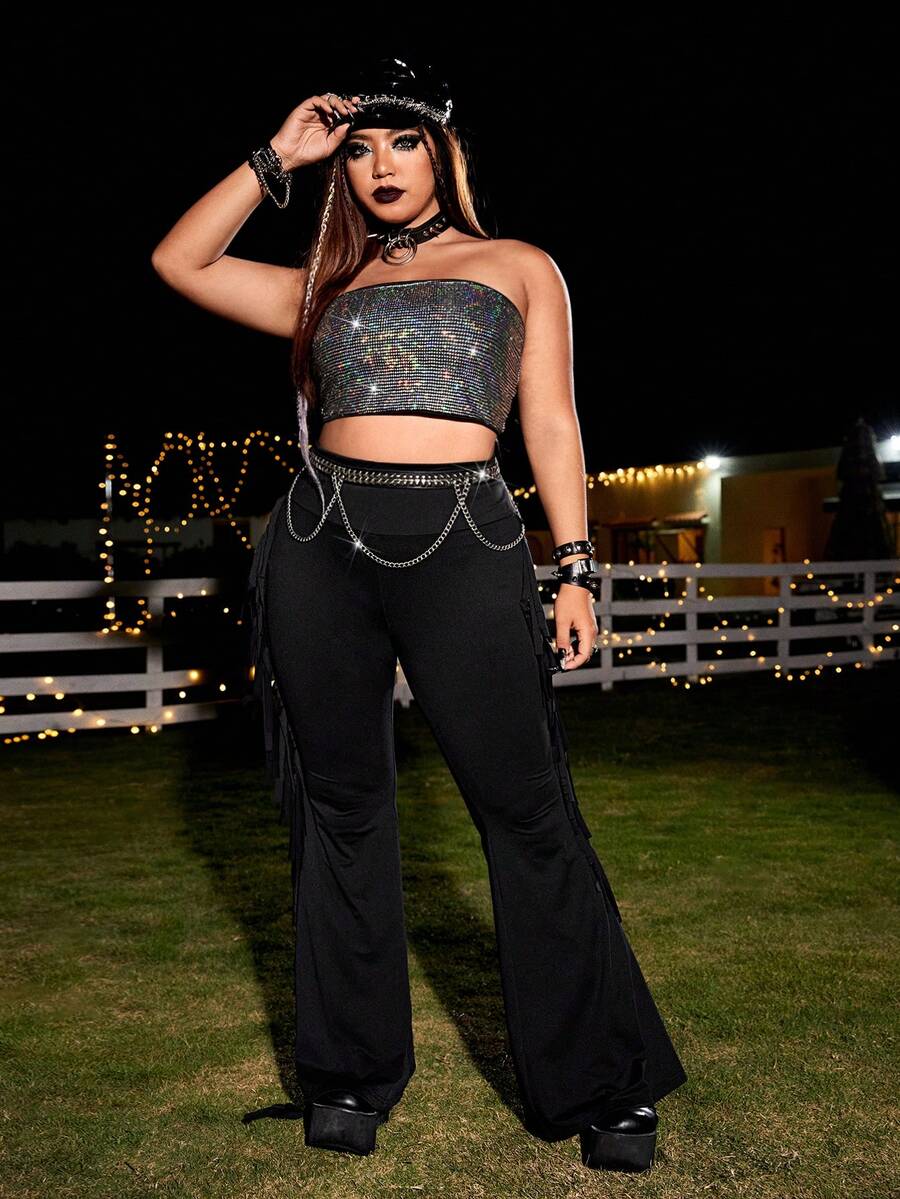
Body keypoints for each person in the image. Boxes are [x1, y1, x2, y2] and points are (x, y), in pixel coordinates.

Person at [151, 55, 687, 1172]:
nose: (381, 166)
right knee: (341, 807)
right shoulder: (321, 283)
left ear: (445, 153)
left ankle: (603, 1081)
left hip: (467, 542)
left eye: (403, 142)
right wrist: (277, 155)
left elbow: (552, 421)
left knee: (526, 809)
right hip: (320, 544)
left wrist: (575, 566)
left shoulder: (518, 265)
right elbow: (178, 259)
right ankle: (349, 1072)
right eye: (359, 149)